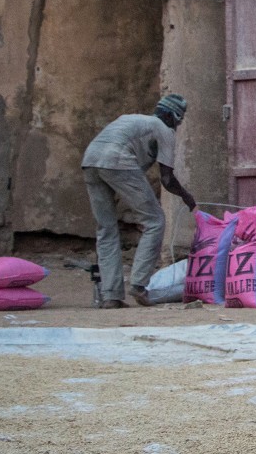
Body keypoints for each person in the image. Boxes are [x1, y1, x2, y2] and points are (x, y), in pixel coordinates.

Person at [82, 94, 197, 308]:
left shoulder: (131, 119)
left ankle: (111, 296)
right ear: (172, 117)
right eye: (178, 122)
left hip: (90, 160)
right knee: (154, 221)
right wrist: (186, 196)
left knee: (106, 229)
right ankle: (139, 284)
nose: (177, 127)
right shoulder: (164, 129)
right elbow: (167, 179)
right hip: (118, 160)